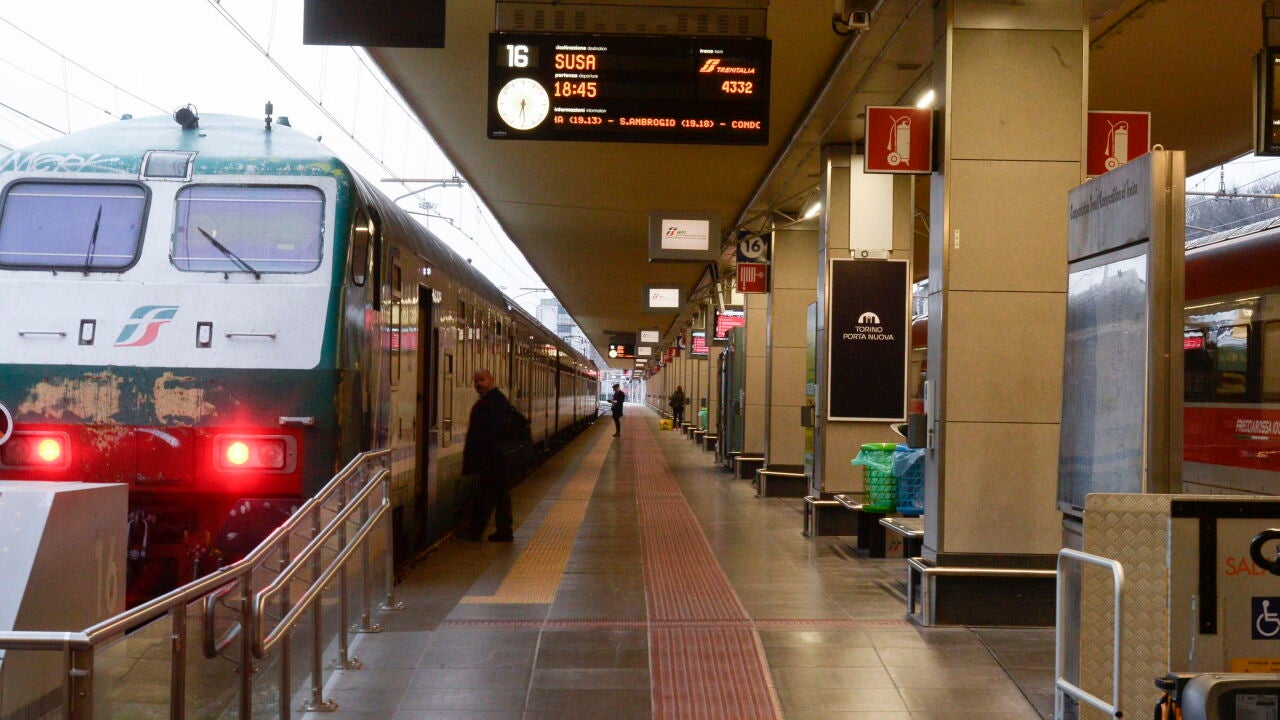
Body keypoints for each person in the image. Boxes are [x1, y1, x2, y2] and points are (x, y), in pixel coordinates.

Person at [459, 369, 514, 542]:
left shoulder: (494, 402)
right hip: (494, 458)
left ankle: (477, 531)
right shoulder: (493, 400)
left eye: (482, 380)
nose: (478, 384)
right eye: (476, 381)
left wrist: (484, 454)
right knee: (499, 496)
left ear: (491, 380)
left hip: (492, 459)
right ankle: (503, 530)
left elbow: (491, 432)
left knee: (486, 497)